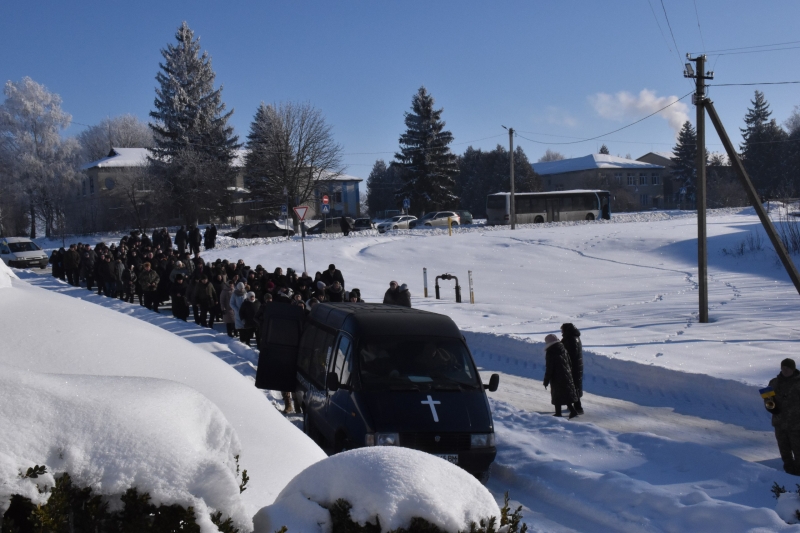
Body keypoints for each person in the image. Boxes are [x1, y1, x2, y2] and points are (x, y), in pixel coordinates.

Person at [768, 358, 800, 475]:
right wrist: (770, 406)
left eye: (788, 368)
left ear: (793, 369)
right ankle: (789, 475)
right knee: (785, 453)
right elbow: (767, 398)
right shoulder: (774, 382)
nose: (785, 370)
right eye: (783, 368)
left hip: (797, 425)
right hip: (780, 424)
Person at [543, 333, 579, 419]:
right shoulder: (563, 348)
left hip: (557, 376)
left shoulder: (551, 352)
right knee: (566, 394)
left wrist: (546, 380)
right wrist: (569, 373)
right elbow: (569, 362)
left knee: (557, 394)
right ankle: (573, 411)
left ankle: (558, 413)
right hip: (566, 374)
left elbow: (549, 368)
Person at [561, 323, 584, 415]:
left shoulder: (571, 339)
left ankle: (578, 407)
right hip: (576, 365)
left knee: (573, 386)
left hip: (573, 366)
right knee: (573, 385)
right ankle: (572, 405)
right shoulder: (574, 337)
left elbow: (570, 354)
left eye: (562, 330)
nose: (561, 332)